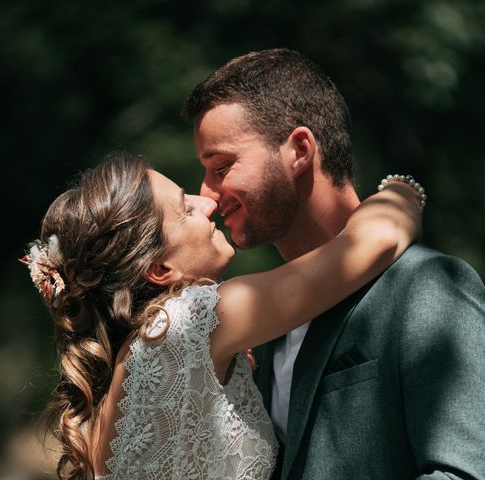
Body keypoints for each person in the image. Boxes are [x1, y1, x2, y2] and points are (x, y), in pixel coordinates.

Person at [184, 48, 485, 479]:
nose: (207, 193)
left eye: (223, 166)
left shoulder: (427, 287)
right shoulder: (258, 324)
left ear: (299, 150)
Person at [21, 152, 423, 479]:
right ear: (160, 269)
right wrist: (404, 188)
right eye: (184, 209)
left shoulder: (139, 359)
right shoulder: (186, 322)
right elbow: (375, 242)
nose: (207, 202)